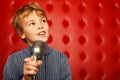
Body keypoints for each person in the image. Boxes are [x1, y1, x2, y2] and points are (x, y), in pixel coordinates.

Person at [3, 2, 72, 80]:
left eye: (43, 21)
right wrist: (26, 78)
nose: (40, 26)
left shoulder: (61, 58)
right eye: (32, 23)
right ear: (22, 33)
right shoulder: (13, 60)